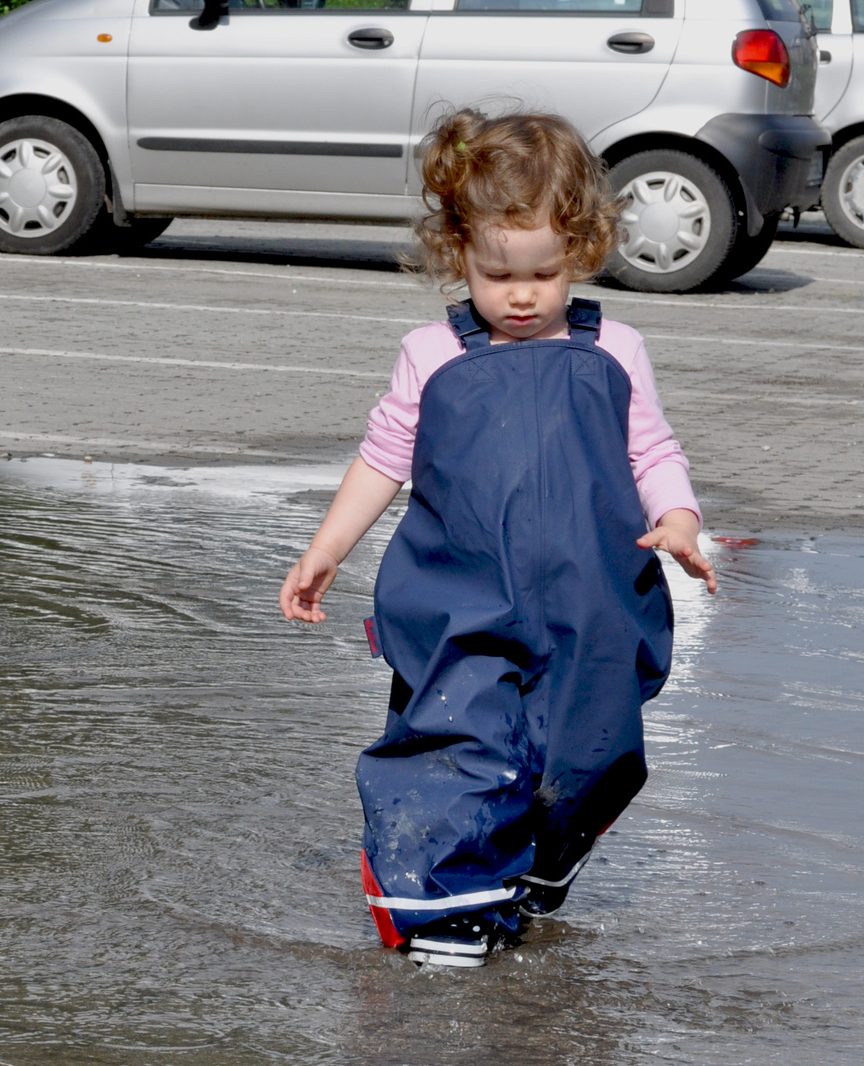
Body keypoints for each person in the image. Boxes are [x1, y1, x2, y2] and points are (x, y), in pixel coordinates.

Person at [278, 109, 718, 968]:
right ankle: (441, 903)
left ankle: (533, 866)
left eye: (545, 274)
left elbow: (653, 448)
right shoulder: (432, 353)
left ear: (584, 249)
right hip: (464, 600)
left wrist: (680, 519)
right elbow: (383, 460)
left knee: (590, 754)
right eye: (497, 274)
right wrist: (325, 550)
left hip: (590, 606)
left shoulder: (615, 349)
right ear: (458, 249)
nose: (521, 296)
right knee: (461, 740)